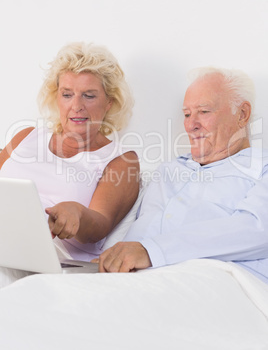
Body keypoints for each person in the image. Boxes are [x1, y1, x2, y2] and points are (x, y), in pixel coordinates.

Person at [97, 67, 268, 284]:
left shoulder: (262, 168)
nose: (190, 125)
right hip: (133, 282)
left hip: (215, 282)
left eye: (204, 112)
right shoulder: (168, 171)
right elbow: (137, 232)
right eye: (187, 114)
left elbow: (257, 230)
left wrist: (150, 251)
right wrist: (111, 258)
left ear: (242, 114)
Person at [0, 42, 139, 262]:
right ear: (56, 97)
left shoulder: (121, 160)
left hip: (52, 258)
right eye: (67, 94)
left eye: (89, 96)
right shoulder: (26, 136)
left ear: (109, 102)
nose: (76, 106)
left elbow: (100, 224)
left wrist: (78, 213)